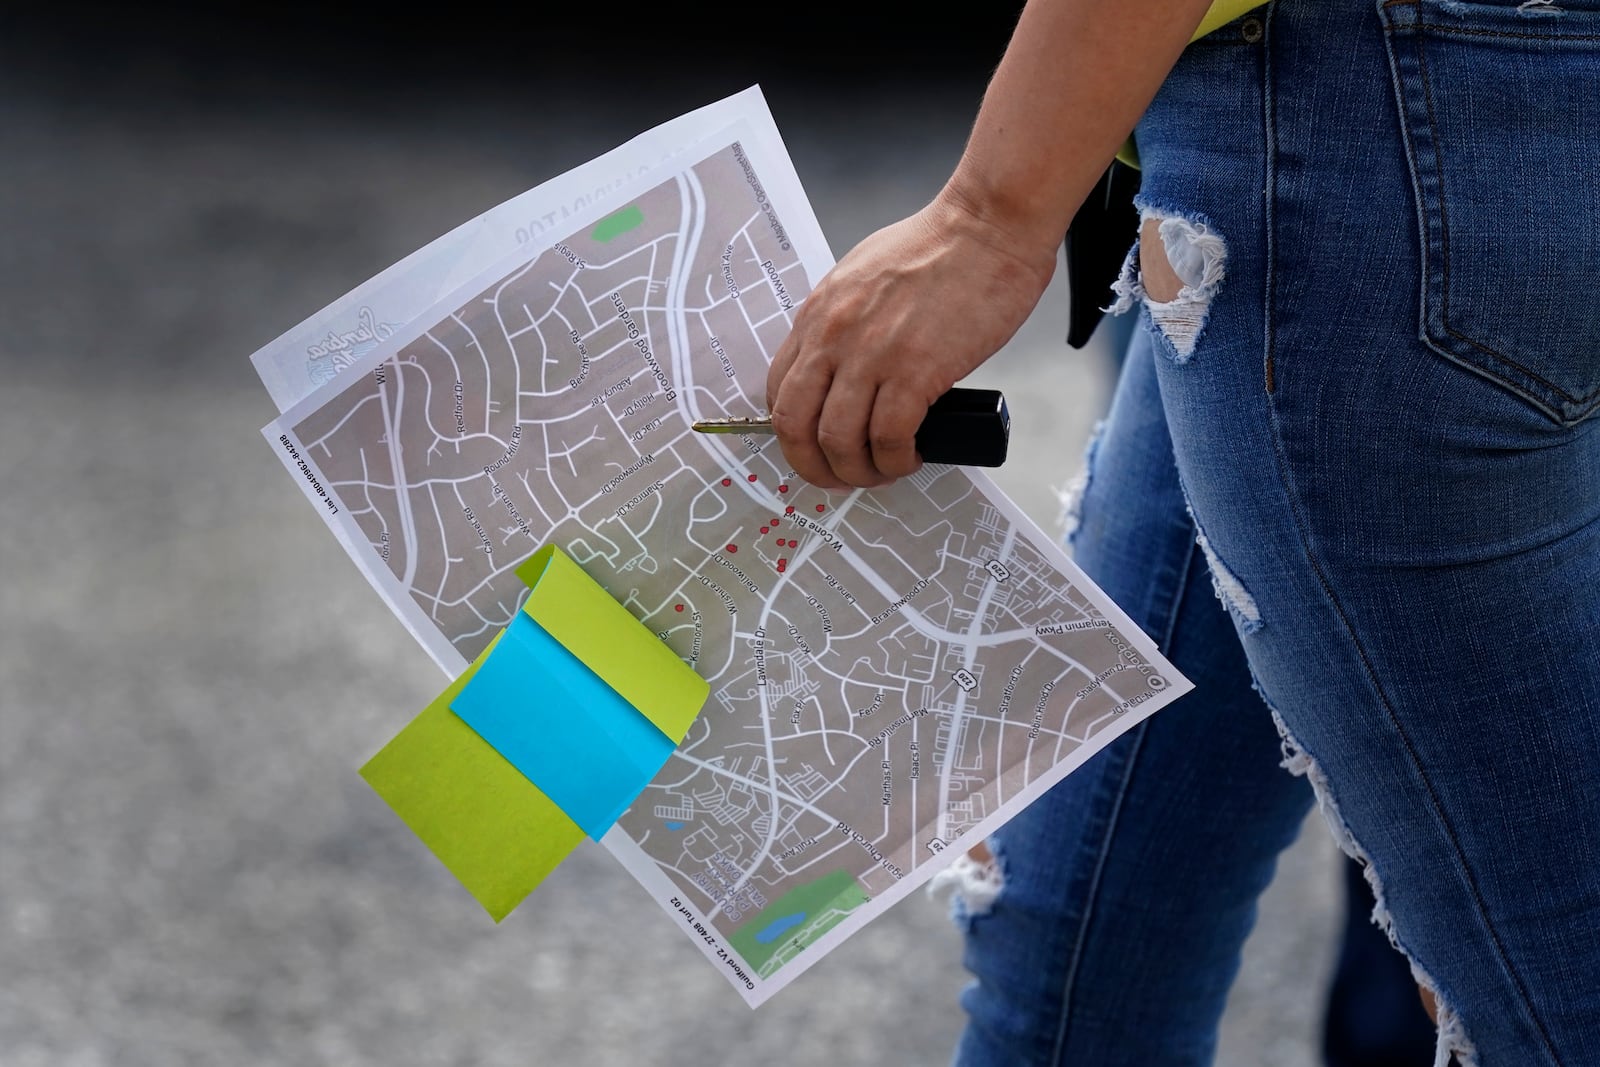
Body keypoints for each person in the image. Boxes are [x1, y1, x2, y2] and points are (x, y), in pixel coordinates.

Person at [763, 0, 1600, 1063]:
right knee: (1076, 938)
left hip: (1356, 136)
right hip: (1329, 139)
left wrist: (991, 213)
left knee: (1542, 992)